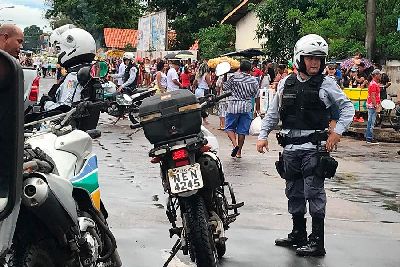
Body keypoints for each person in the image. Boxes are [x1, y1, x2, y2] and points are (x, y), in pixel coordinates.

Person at [256, 34, 354, 257]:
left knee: (314, 192)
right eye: (310, 58)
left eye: (319, 59)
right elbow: (272, 113)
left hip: (314, 148)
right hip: (290, 149)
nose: (315, 63)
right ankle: (298, 233)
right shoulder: (285, 83)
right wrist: (263, 135)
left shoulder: (327, 84)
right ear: (299, 58)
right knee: (294, 191)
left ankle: (317, 241)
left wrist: (337, 132)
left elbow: (347, 108)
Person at [42, 24, 96, 112]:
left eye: (59, 49)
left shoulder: (73, 76)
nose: (58, 53)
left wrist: (46, 103)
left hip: (70, 124)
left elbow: (64, 108)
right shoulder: (91, 73)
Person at [224, 60, 260, 158]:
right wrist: (258, 109)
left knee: (229, 128)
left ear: (240, 68)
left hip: (233, 106)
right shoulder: (253, 80)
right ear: (250, 70)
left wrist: (224, 76)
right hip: (246, 107)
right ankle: (239, 152)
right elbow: (256, 95)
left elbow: (224, 87)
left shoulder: (233, 77)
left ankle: (235, 145)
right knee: (242, 131)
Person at [365, 69, 382, 144]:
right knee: (371, 122)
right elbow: (373, 96)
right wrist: (376, 105)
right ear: (376, 75)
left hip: (373, 104)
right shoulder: (373, 84)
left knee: (371, 121)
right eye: (379, 74)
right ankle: (369, 138)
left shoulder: (374, 83)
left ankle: (369, 137)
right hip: (372, 105)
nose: (380, 76)